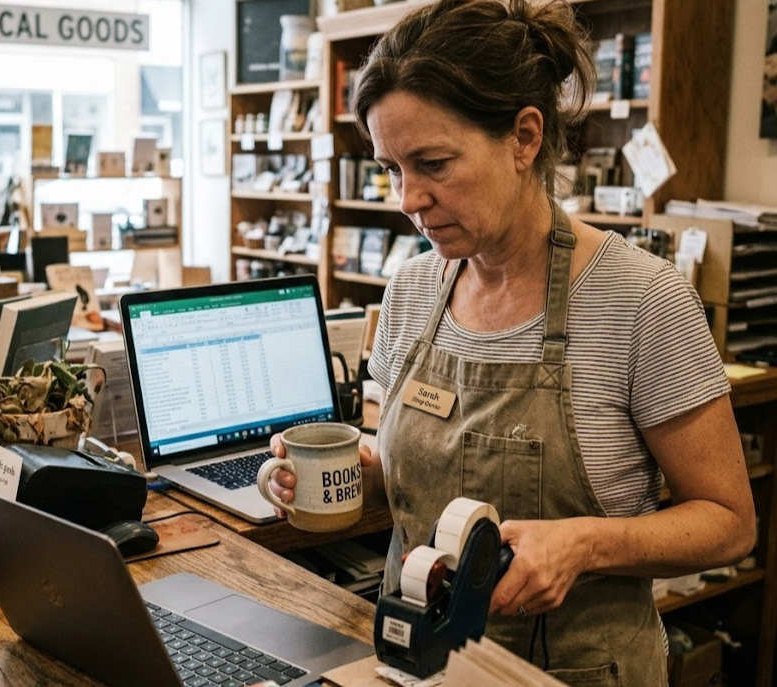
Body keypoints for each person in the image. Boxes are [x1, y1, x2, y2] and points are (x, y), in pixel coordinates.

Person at [266, 1, 756, 684]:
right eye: (392, 168)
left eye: (433, 163)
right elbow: (407, 485)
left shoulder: (641, 299)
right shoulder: (411, 289)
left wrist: (583, 544)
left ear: (524, 137)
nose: (408, 198)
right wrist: (331, 479)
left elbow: (730, 522)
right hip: (417, 662)